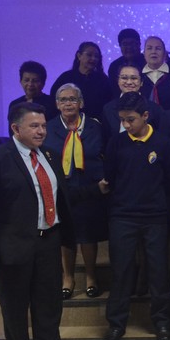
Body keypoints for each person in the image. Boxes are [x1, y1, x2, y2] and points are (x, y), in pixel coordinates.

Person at [0, 103, 103, 340]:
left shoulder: (50, 155)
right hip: (12, 246)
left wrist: (95, 190)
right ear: (16, 128)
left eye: (43, 125)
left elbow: (62, 195)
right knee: (15, 307)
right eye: (34, 126)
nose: (42, 131)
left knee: (48, 304)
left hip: (48, 241)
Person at [102, 93, 170, 340]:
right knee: (121, 271)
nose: (126, 125)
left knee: (158, 271)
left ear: (145, 116)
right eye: (122, 120)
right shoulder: (116, 143)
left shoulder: (163, 143)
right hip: (122, 216)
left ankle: (163, 322)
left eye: (131, 119)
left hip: (155, 217)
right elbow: (111, 177)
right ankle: (116, 324)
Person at [45, 84, 107, 300]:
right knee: (66, 235)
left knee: (88, 234)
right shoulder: (49, 127)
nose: (68, 103)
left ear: (81, 103)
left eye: (72, 99)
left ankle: (91, 277)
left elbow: (104, 153)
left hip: (90, 188)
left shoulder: (95, 127)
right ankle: (68, 278)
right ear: (57, 104)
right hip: (61, 190)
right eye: (63, 100)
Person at [49, 42, 111, 120]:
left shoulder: (103, 80)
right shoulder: (66, 78)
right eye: (89, 55)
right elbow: (54, 100)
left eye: (96, 56)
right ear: (79, 56)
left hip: (96, 123)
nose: (93, 59)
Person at [101, 65, 164, 142]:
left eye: (134, 78)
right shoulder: (108, 108)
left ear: (141, 82)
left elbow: (160, 139)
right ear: (118, 81)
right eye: (124, 78)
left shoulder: (155, 109)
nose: (129, 82)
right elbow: (106, 139)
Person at [140, 35, 170, 110]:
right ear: (144, 53)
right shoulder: (138, 76)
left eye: (158, 48)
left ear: (165, 54)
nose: (153, 52)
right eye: (149, 48)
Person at [106, 28, 145, 97]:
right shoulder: (114, 66)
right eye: (125, 44)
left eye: (132, 43)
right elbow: (114, 93)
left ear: (139, 44)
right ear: (120, 46)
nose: (129, 47)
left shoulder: (148, 62)